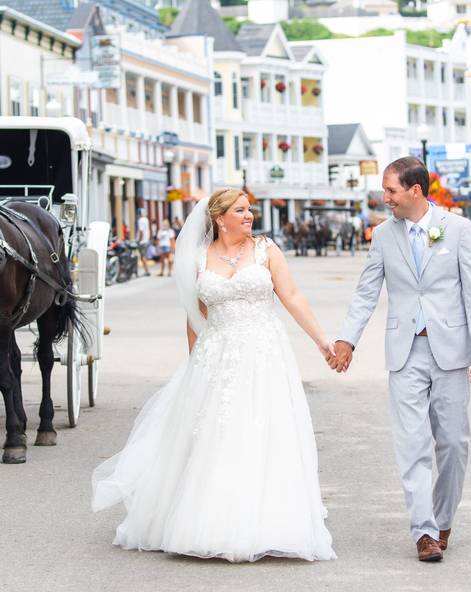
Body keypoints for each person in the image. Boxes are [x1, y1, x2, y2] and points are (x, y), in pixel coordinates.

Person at [92, 188, 337, 563]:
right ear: (220, 218)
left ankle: (269, 523)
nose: (249, 215)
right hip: (216, 353)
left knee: (262, 430)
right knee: (217, 434)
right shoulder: (198, 258)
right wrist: (195, 364)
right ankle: (207, 521)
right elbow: (194, 316)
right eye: (240, 210)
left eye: (250, 209)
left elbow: (292, 296)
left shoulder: (266, 250)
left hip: (263, 352)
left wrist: (322, 340)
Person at [330, 157, 471, 563]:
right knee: (412, 442)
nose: (385, 199)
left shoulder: (457, 229)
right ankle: (423, 532)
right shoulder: (383, 235)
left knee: (453, 443)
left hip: (452, 350)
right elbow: (367, 291)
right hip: (405, 352)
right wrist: (347, 339)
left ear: (415, 190)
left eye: (391, 191)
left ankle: (443, 520)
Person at [135, 208, 151, 276]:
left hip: (142, 241)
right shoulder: (146, 219)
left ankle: (146, 271)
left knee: (142, 256)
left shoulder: (140, 220)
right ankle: (146, 270)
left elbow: (141, 231)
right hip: (146, 240)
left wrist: (139, 240)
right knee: (143, 256)